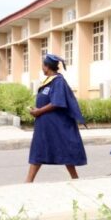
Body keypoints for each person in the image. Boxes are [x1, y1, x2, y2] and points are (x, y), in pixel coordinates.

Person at [26, 54, 87, 183]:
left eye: (43, 65)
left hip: (57, 124)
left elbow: (57, 102)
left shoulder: (58, 81)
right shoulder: (49, 81)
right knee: (39, 149)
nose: (42, 68)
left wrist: (39, 111)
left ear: (47, 67)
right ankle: (29, 180)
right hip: (45, 125)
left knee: (65, 149)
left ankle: (75, 178)